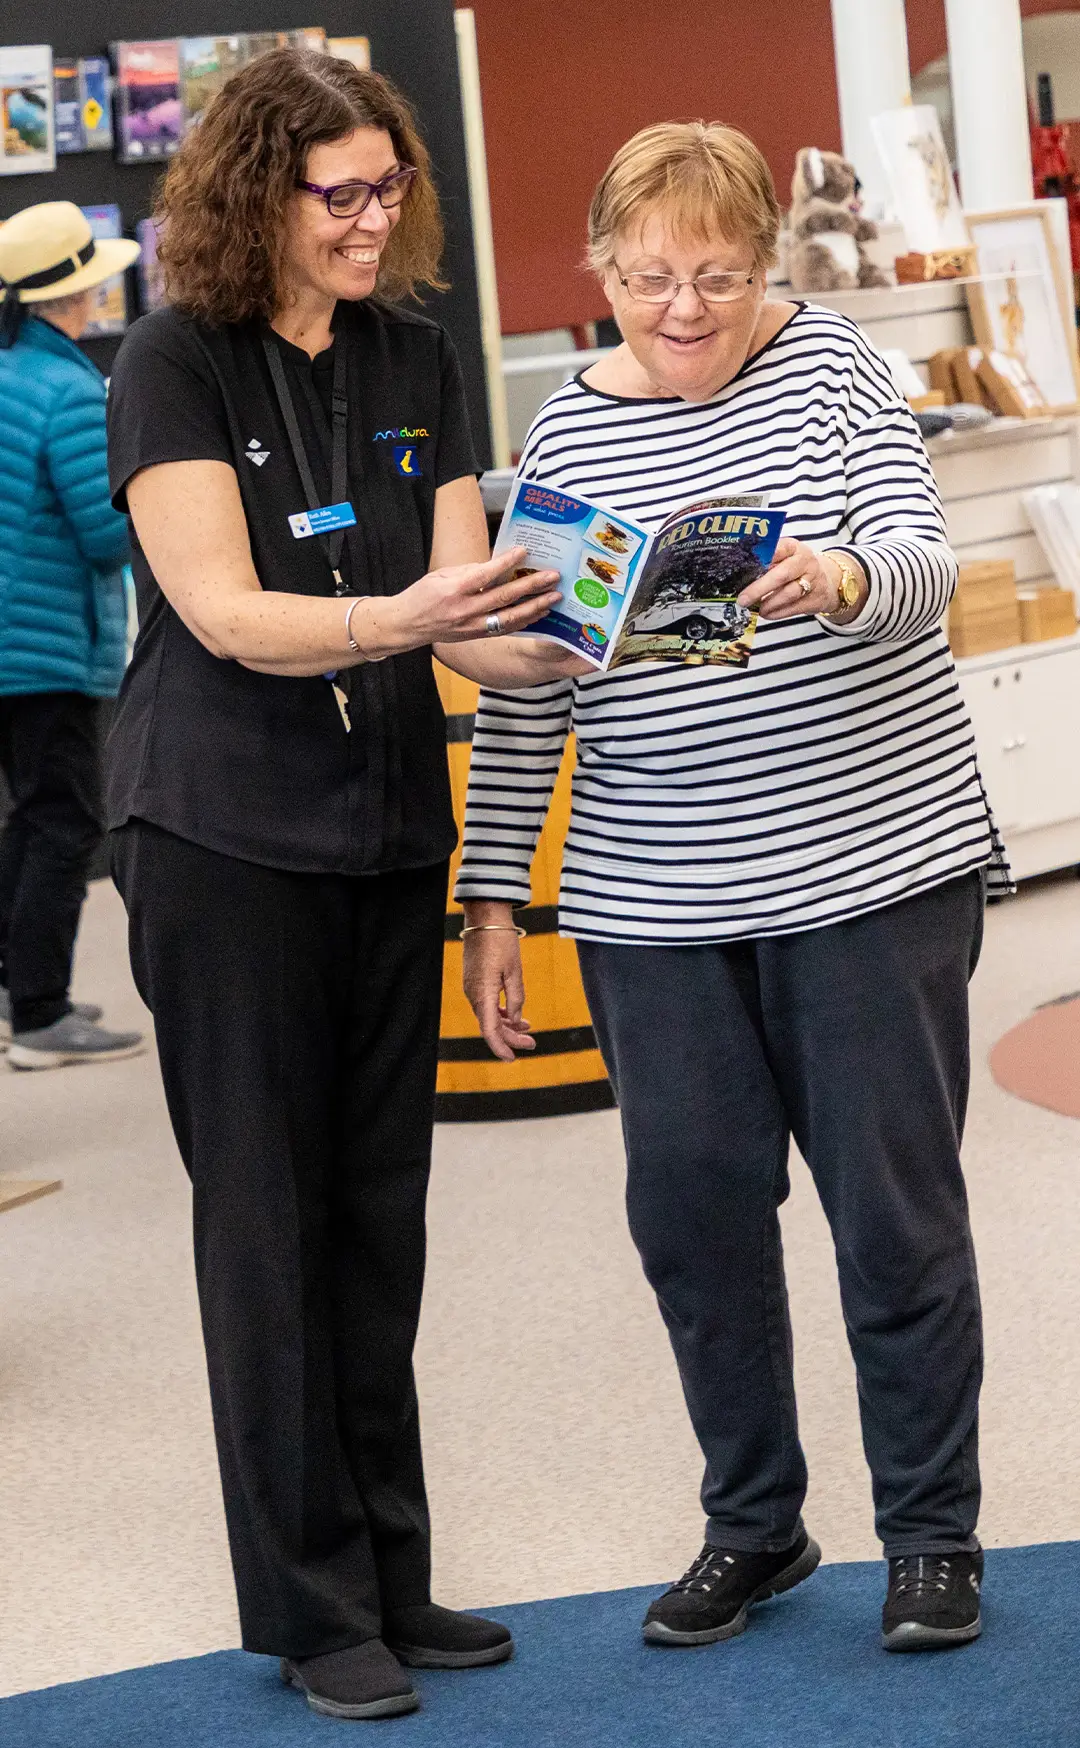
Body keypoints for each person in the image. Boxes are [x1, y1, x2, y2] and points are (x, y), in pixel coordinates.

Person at [457, 122, 1011, 1656]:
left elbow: (920, 561)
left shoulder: (832, 367)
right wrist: (494, 900)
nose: (681, 310)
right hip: (653, 910)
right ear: (599, 272)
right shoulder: (564, 435)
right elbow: (532, 686)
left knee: (893, 1225)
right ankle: (754, 1526)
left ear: (763, 264)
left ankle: (931, 1537)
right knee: (695, 1224)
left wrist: (839, 579)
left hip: (867, 875)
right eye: (645, 281)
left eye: (714, 278)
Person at [105, 50, 575, 1723]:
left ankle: (389, 1569)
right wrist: (417, 616)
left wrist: (609, 627)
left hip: (387, 830)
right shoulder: (170, 360)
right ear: (257, 195)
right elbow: (229, 613)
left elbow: (478, 607)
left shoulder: (416, 356)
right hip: (221, 839)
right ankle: (308, 1606)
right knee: (266, 1225)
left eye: (390, 188)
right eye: (341, 195)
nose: (375, 220)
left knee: (379, 1219)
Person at [0, 202, 144, 1070]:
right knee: (66, 822)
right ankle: (42, 1017)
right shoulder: (68, 391)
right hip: (48, 650)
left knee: (25, 821)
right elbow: (103, 533)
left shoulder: (9, 378)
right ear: (74, 296)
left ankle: (21, 990)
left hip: (11, 647)